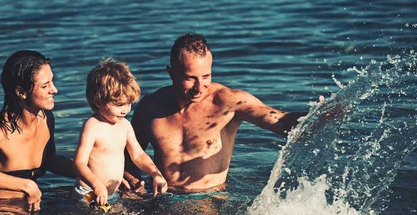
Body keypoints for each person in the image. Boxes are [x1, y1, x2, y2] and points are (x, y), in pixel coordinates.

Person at [125, 33, 317, 193]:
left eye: (206, 76)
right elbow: (130, 157)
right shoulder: (150, 108)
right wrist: (135, 187)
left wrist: (318, 116)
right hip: (164, 199)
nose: (199, 87)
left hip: (210, 199)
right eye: (190, 78)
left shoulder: (228, 102)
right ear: (171, 73)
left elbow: (281, 122)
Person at [0, 50, 75, 211]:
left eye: (52, 82)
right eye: (45, 86)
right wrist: (26, 185)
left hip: (34, 203)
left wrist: (89, 173)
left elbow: (49, 160)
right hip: (2, 210)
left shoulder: (46, 119)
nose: (54, 90)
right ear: (21, 92)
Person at [73, 58, 168, 208]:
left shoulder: (124, 125)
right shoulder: (92, 126)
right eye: (119, 105)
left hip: (111, 193)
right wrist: (97, 185)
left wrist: (155, 173)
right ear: (98, 102)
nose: (125, 110)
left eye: (129, 103)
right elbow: (79, 163)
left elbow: (138, 154)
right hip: (89, 192)